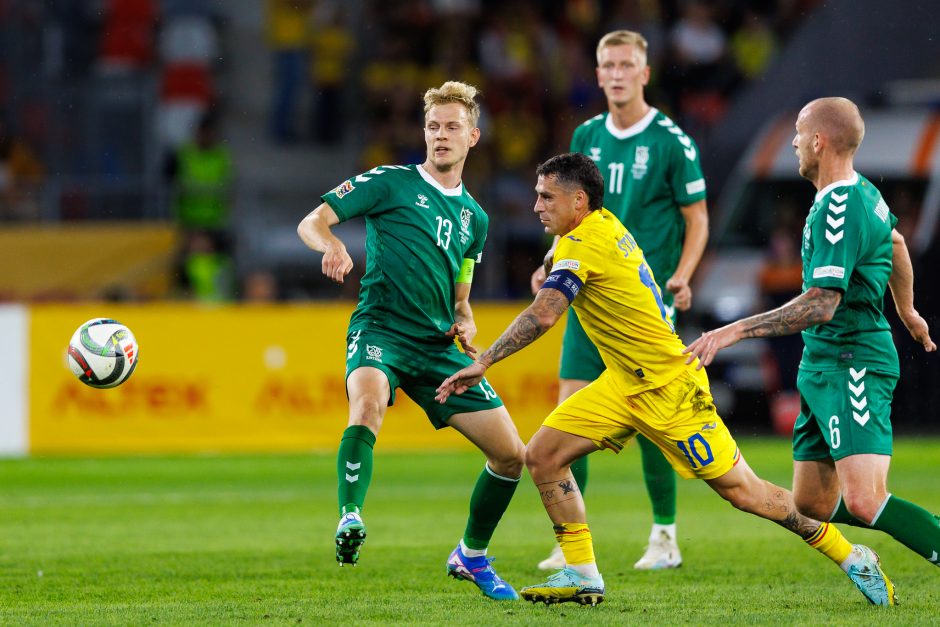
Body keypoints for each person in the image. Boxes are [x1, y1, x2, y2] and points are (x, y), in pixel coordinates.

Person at [437, 152, 896, 607]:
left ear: (578, 201)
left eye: (546, 196)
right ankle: (581, 572)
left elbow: (545, 314)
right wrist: (550, 262)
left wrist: (487, 360)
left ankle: (851, 555)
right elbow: (564, 263)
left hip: (669, 388)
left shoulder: (584, 244)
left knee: (745, 493)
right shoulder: (598, 226)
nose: (536, 206)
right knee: (542, 456)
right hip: (622, 383)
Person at [685, 97, 940, 575]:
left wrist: (735, 330)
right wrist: (907, 310)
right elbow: (898, 243)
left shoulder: (840, 207)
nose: (796, 142)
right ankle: (924, 527)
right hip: (821, 365)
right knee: (812, 505)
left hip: (853, 359)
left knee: (864, 501)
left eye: (800, 133)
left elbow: (823, 303)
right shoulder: (858, 192)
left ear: (819, 141)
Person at [296, 81, 525, 601]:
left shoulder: (476, 218)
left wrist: (465, 320)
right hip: (380, 330)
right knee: (368, 403)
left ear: (473, 136)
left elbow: (462, 293)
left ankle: (471, 555)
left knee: (513, 455)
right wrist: (329, 245)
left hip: (437, 348)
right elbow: (312, 221)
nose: (440, 136)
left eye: (451, 127)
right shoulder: (391, 182)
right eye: (432, 127)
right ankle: (350, 515)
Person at [529, 29, 709, 571]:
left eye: (626, 64)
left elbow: (696, 218)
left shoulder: (672, 142)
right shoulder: (587, 133)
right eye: (607, 64)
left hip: (644, 304)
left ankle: (665, 536)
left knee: (653, 415)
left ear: (645, 73)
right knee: (568, 411)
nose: (615, 73)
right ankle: (570, 541)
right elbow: (568, 212)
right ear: (599, 71)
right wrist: (551, 261)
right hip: (588, 297)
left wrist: (682, 274)